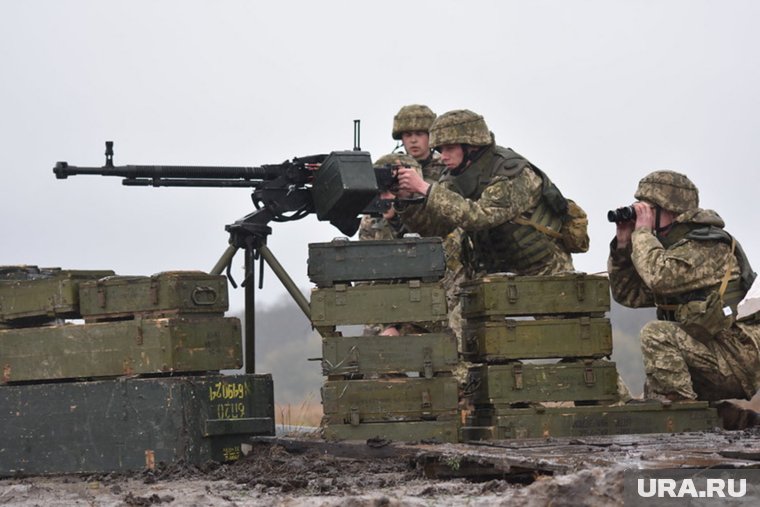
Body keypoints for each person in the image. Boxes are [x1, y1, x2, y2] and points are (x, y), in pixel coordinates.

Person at [607, 170, 760, 428]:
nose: (641, 215)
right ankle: (737, 420)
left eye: (648, 209)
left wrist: (642, 235)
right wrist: (622, 247)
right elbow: (630, 295)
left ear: (670, 210)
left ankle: (686, 422)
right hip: (707, 352)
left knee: (656, 334)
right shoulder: (672, 251)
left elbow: (658, 277)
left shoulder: (706, 247)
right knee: (656, 398)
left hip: (736, 354)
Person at [395, 109, 588, 278]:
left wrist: (425, 188)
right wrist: (407, 200)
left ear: (472, 146)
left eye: (450, 148)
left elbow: (480, 216)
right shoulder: (453, 176)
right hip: (494, 274)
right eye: (440, 149)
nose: (443, 156)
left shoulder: (511, 173)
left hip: (544, 272)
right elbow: (437, 229)